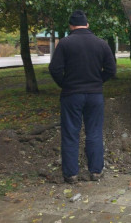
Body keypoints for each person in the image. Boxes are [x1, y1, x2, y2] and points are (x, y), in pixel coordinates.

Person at [49, 10, 116, 184]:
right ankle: (96, 172)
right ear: (87, 24)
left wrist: (65, 84)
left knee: (71, 133)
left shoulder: (64, 44)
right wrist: (97, 82)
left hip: (71, 96)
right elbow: (111, 69)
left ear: (71, 26)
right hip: (95, 95)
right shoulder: (101, 44)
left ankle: (71, 174)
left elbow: (54, 69)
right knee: (94, 132)